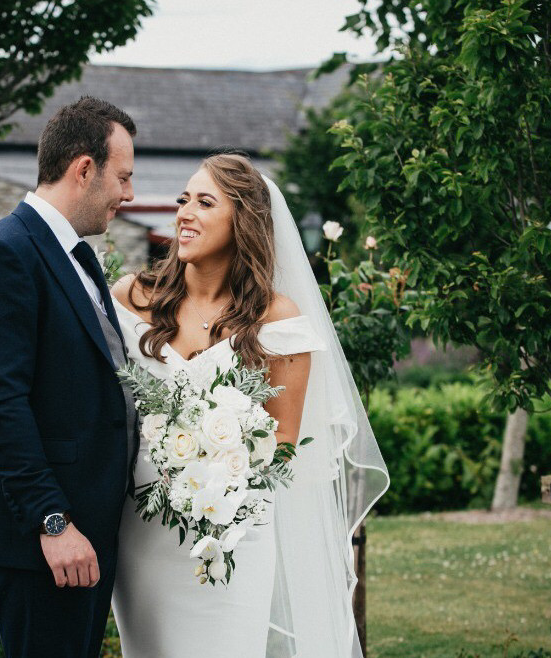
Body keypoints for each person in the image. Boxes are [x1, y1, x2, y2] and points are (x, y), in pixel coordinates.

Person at [109, 152, 389, 657]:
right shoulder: (133, 297)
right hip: (144, 534)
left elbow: (285, 440)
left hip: (234, 535)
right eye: (184, 200)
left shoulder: (276, 319)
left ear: (242, 221)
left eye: (205, 202)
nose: (184, 212)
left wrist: (218, 475)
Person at [0, 96, 139, 658]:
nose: (130, 194)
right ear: (84, 169)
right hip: (47, 541)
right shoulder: (4, 253)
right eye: (123, 177)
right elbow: (1, 404)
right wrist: (52, 522)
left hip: (90, 531)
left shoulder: (74, 255)